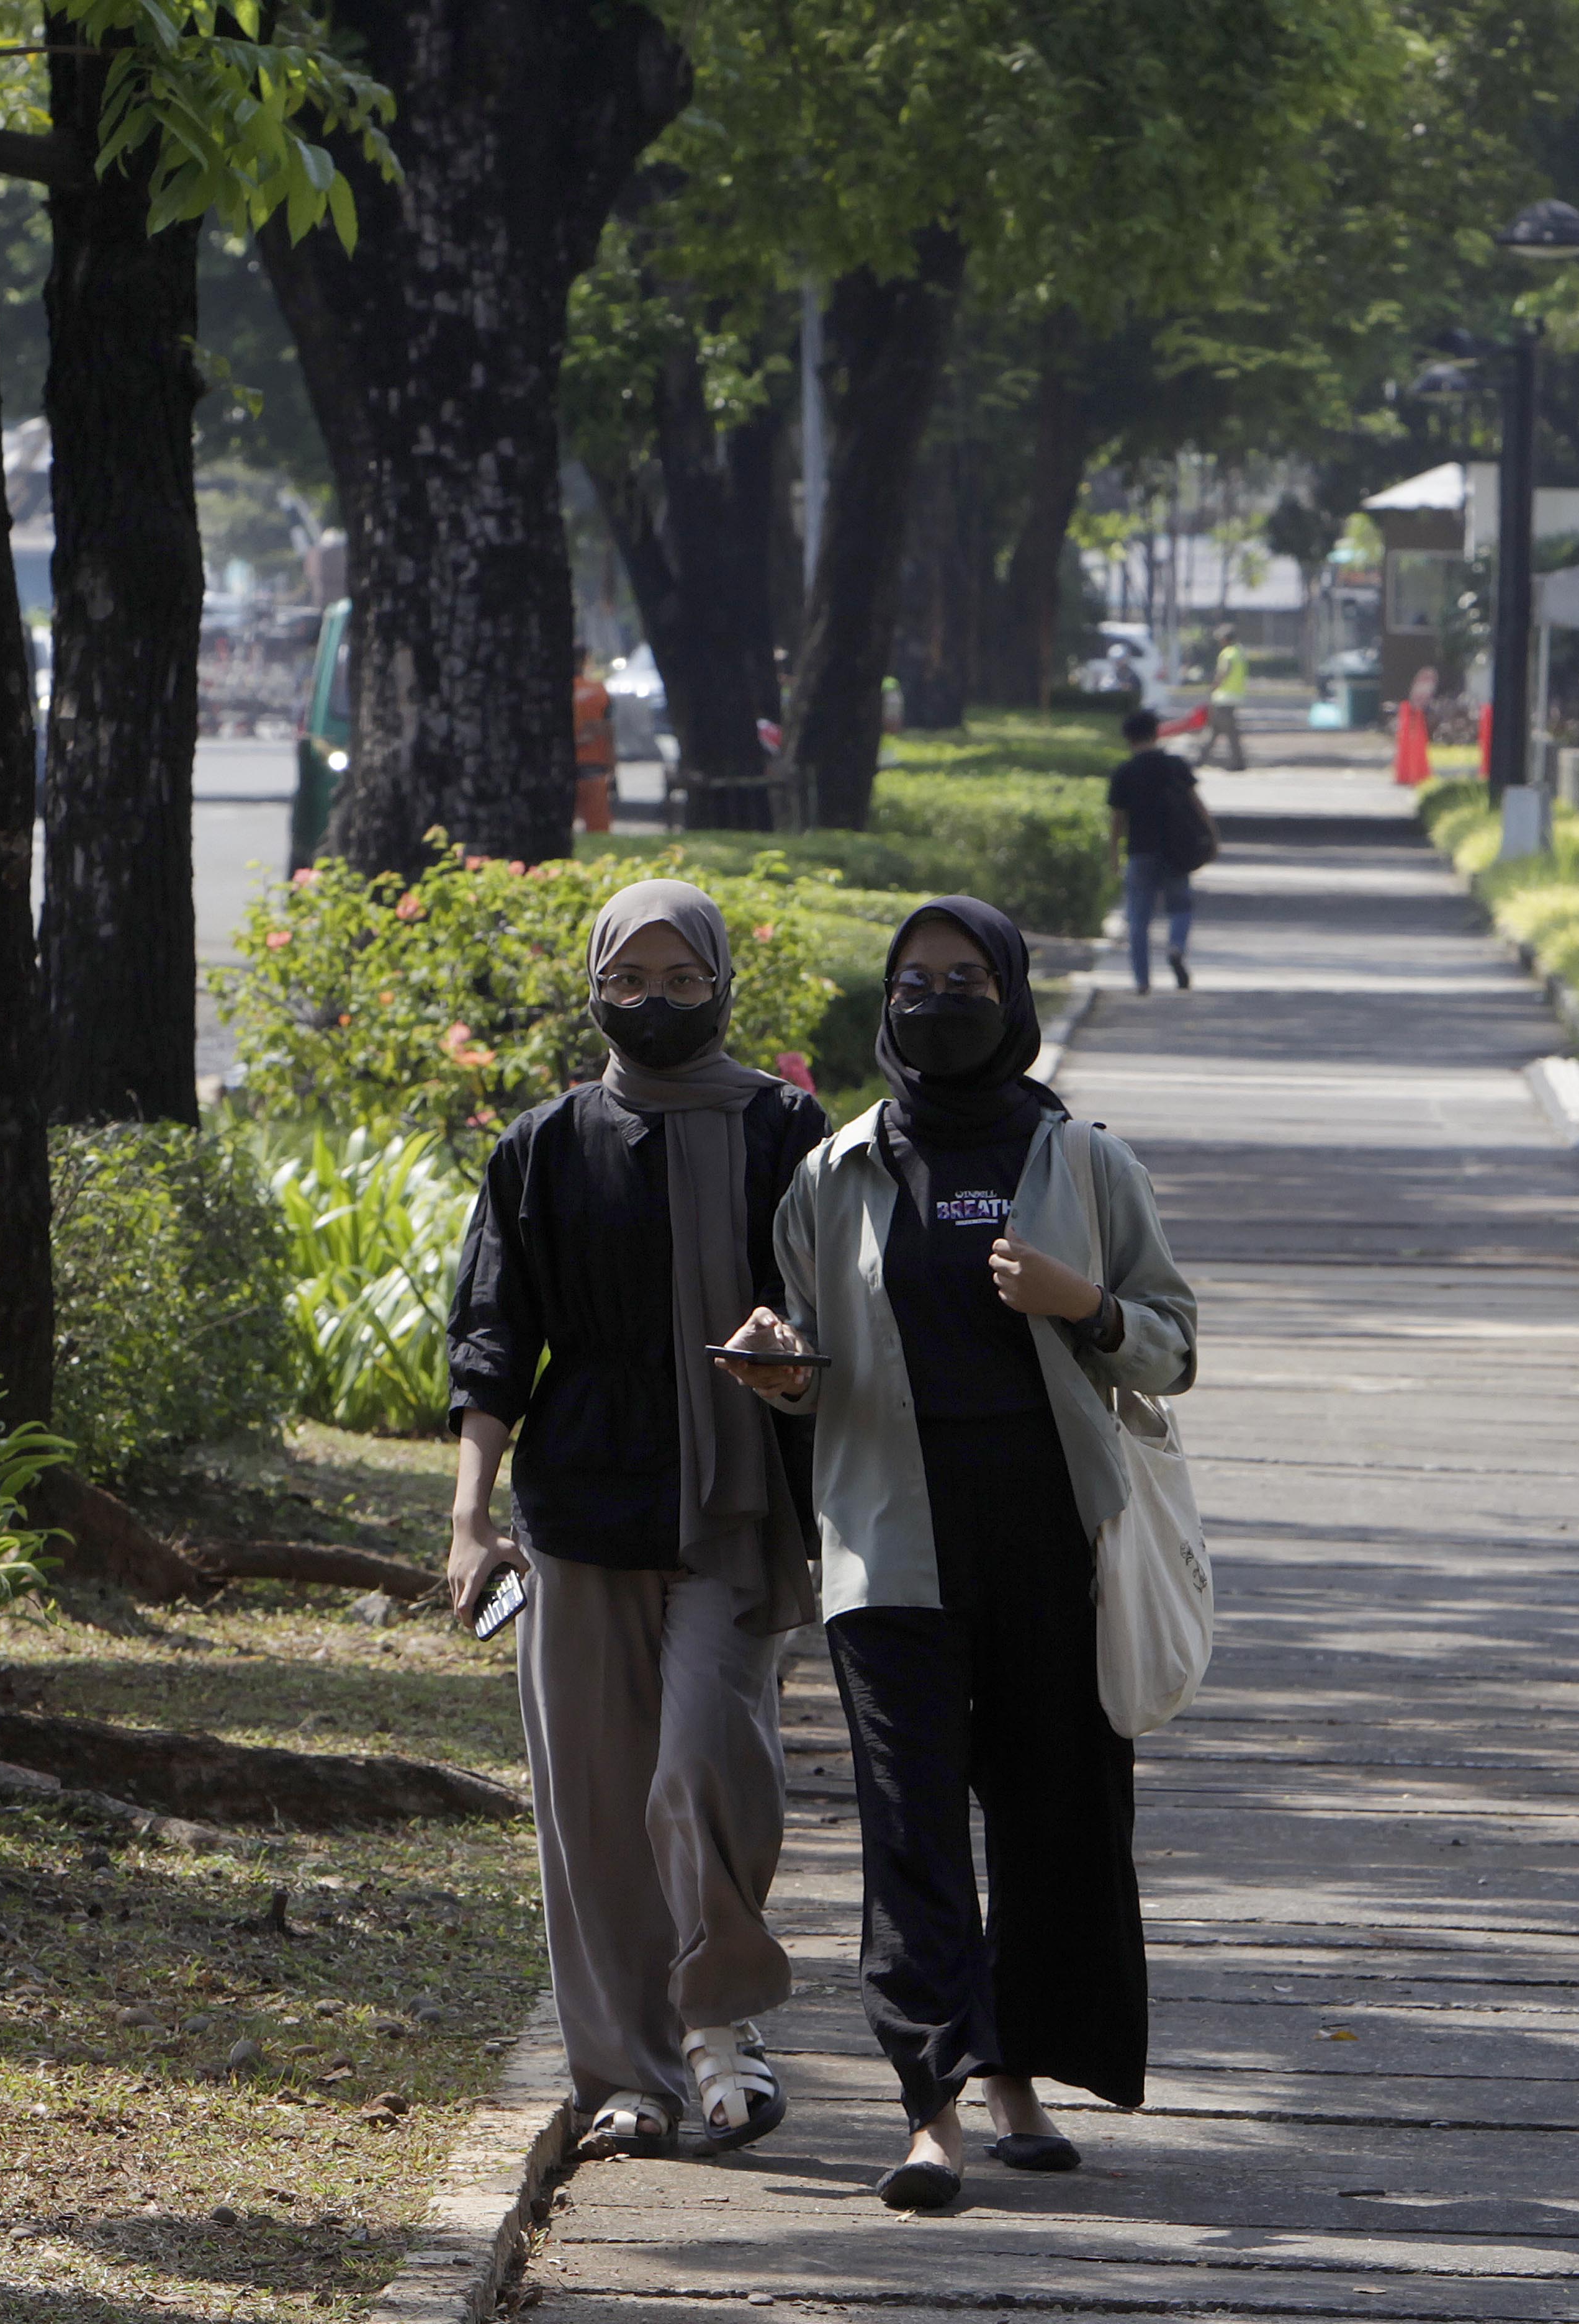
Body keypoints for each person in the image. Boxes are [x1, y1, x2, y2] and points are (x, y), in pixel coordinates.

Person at [716, 897, 1197, 2212]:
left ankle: (1018, 2079)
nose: (939, 1000)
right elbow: (815, 1354)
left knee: (1053, 1820)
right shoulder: (837, 1173)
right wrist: (779, 1369)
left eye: (967, 977)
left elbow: (1175, 1341)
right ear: (887, 1002)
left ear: (1014, 992)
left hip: (1058, 1546)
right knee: (911, 1831)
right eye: (914, 981)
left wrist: (1082, 1304)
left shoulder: (1085, 1161)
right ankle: (930, 2106)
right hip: (891, 1547)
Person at [446, 880, 830, 2162]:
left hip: (733, 1505)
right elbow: (494, 1344)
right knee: (595, 1805)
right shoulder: (546, 1146)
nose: (656, 1004)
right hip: (580, 1507)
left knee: (704, 1764)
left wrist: (793, 1362)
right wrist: (468, 1521)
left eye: (682, 981)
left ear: (722, 983)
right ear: (594, 986)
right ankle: (628, 2076)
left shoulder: (786, 1131)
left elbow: (832, 1314)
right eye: (630, 982)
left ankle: (722, 2029)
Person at [1105, 709, 1205, 995]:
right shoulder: (1175, 766)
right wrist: (1212, 836)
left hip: (1140, 851)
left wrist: (1114, 854)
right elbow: (1197, 804)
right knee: (1181, 907)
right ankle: (1176, 946)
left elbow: (1117, 820)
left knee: (1138, 918)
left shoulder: (1124, 772)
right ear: (1156, 732)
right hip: (1176, 850)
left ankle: (1142, 980)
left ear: (1128, 738)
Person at [573, 652, 619, 834]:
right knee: (598, 828)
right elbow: (608, 730)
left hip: (556, 768)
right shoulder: (599, 692)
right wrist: (612, 764)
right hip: (594, 766)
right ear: (585, 661)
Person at [1199, 623, 1249, 770]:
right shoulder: (1240, 652)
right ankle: (1201, 759)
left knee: (1224, 731)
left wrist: (1214, 686)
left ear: (1226, 639)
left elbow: (1223, 673)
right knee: (1219, 730)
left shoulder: (1228, 653)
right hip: (1234, 698)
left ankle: (1236, 763)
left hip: (1223, 699)